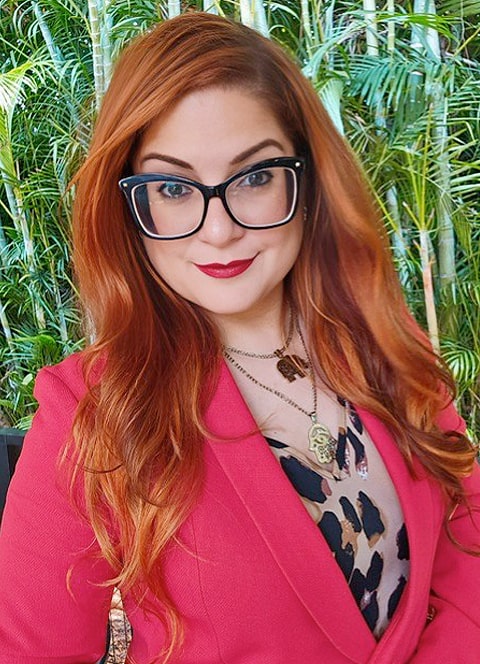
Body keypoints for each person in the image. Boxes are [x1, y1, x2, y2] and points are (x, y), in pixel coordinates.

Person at [0, 11, 479, 664]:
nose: (219, 229)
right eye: (173, 187)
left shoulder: (386, 342)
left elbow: (465, 537)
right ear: (130, 206)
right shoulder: (91, 412)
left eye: (254, 177)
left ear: (305, 179)